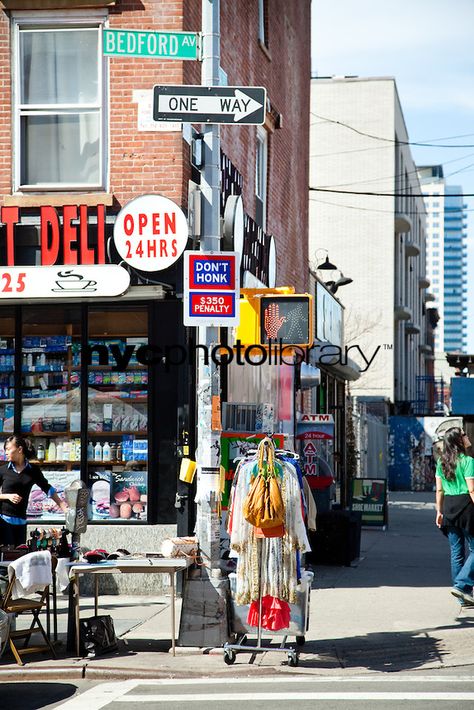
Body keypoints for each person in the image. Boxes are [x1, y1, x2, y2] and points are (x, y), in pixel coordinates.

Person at [0, 435, 68, 547]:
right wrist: (7, 496)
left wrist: (63, 506)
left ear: (20, 449)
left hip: (21, 521)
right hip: (3, 520)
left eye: (8, 449)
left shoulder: (33, 471)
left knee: (19, 555)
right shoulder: (3, 470)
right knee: (6, 555)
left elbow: (47, 488)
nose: (6, 452)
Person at [435, 427, 474, 606]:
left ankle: (462, 597)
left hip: (449, 506)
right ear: (459, 441)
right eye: (464, 435)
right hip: (466, 506)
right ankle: (461, 585)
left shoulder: (441, 463)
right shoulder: (467, 461)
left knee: (456, 553)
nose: (467, 437)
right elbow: (472, 489)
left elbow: (440, 489)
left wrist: (439, 511)